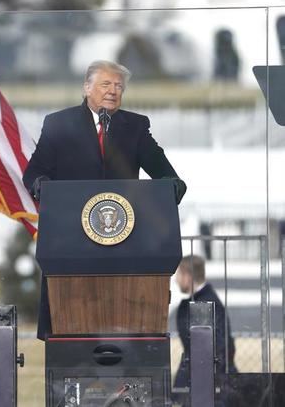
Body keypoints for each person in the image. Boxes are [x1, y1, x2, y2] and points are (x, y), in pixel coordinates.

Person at [23, 60, 186, 340]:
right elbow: (34, 174)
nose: (113, 91)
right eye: (106, 84)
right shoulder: (59, 123)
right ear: (87, 88)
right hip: (71, 245)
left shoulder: (135, 126)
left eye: (119, 86)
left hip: (126, 246)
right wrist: (44, 188)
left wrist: (170, 189)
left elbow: (169, 179)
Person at [172, 255, 237, 406]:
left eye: (179, 275)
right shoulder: (203, 301)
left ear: (187, 276)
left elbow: (215, 347)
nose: (176, 280)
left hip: (208, 382)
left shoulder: (205, 306)